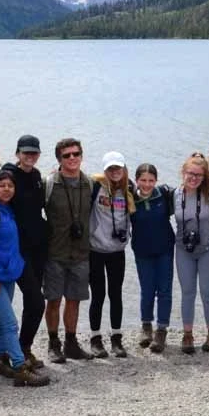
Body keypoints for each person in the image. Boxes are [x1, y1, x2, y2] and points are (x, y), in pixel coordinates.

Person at [0, 170, 49, 387]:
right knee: (10, 322)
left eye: (10, 186)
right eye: (2, 186)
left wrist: (15, 266)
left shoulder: (7, 211)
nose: (7, 189)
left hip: (7, 275)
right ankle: (20, 366)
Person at [43, 138, 95, 363]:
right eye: (67, 155)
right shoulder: (49, 183)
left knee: (74, 299)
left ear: (82, 156)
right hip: (55, 251)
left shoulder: (90, 183)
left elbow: (118, 182)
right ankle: (53, 343)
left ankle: (71, 343)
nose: (72, 158)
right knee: (53, 300)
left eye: (76, 154)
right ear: (59, 159)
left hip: (81, 252)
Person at [2, 135, 49, 369]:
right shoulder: (9, 176)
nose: (30, 156)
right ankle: (16, 349)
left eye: (34, 153)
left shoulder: (37, 176)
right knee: (36, 300)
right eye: (25, 152)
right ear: (17, 153)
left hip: (38, 247)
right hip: (18, 250)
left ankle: (23, 348)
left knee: (33, 302)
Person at [88, 151, 135, 358]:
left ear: (124, 169)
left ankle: (117, 339)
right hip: (95, 250)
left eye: (118, 168)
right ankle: (95, 339)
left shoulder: (129, 189)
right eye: (110, 168)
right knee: (97, 295)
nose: (115, 172)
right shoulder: (95, 187)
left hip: (117, 251)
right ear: (104, 170)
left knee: (116, 294)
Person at [175, 152, 209, 354]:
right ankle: (188, 335)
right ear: (183, 172)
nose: (193, 178)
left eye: (198, 175)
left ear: (205, 177)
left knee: (207, 293)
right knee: (187, 293)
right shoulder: (174, 194)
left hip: (208, 249)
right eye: (190, 173)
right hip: (183, 249)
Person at [130, 163, 175, 353]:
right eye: (143, 180)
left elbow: (187, 191)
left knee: (164, 290)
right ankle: (146, 327)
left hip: (164, 249)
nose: (147, 184)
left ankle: (161, 330)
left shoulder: (164, 195)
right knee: (147, 290)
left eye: (151, 180)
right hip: (142, 251)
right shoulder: (130, 198)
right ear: (136, 180)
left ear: (156, 180)